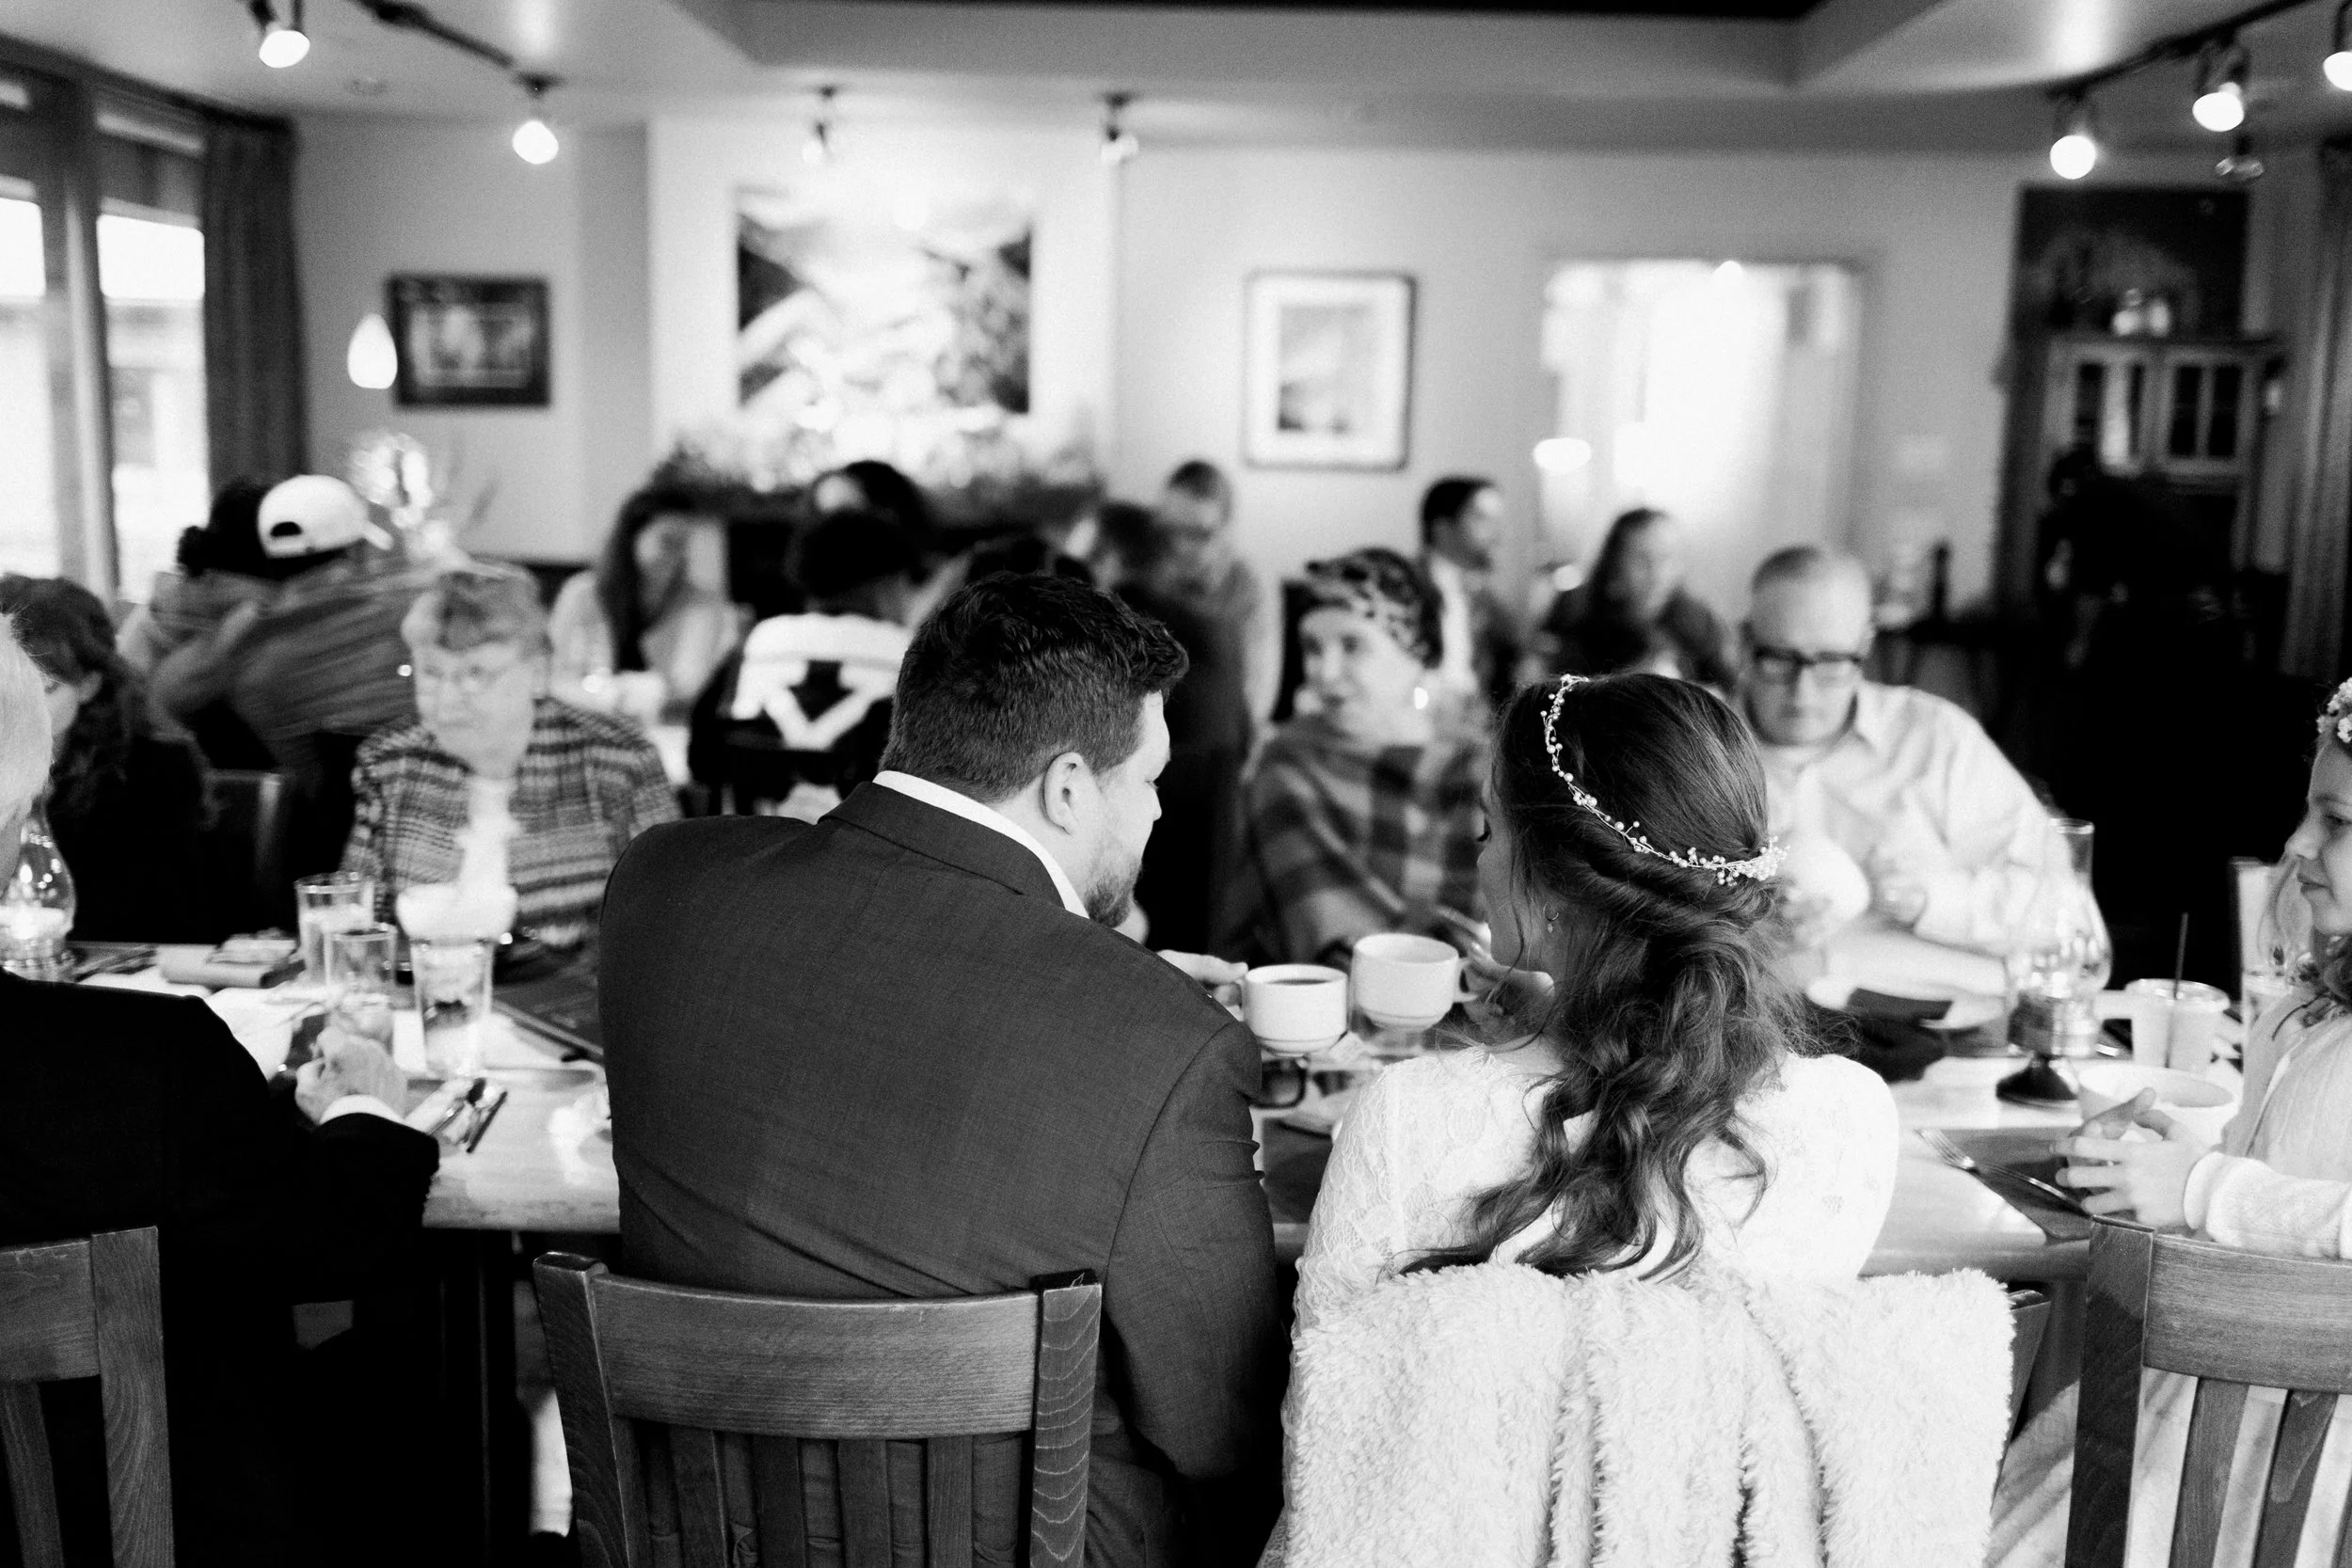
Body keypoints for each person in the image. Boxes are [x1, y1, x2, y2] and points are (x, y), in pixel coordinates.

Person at [601, 573, 1286, 1565]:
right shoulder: (1167, 1041)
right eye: (1147, 781)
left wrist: (1123, 999)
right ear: (1066, 787)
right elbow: (1219, 1425)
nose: (1156, 815)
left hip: (692, 1530)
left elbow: (872, 999)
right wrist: (1136, 1010)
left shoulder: (663, 883)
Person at [1277, 673, 1897, 1549]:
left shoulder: (1406, 1115)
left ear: (1558, 885)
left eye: (1489, 830)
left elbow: (1324, 1434)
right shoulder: (1852, 1119)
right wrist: (1558, 1024)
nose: (1478, 860)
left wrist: (1527, 1050)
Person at [0, 613, 440, 1568]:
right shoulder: (145, 1060)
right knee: (391, 1379)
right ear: (18, 815)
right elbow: (337, 1238)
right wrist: (366, 1107)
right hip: (144, 1528)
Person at [1989, 678, 2352, 1567]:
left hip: (2301, 1484)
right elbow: (2278, 1190)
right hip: (2193, 1426)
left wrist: (2201, 1186)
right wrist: (2157, 1173)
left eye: (2336, 820)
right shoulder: (2304, 1015)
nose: (2296, 843)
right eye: (2308, 810)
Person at [1740, 546, 2060, 955]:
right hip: (1745, 991)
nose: (1803, 691)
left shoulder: (1937, 738)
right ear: (1746, 641)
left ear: (1866, 644)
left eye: (1832, 661)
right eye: (1779, 658)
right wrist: (1738, 920)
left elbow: (2058, 901)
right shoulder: (1692, 746)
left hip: (1918, 988)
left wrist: (1929, 900)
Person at [342, 562, 677, 945]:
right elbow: (355, 927)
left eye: (475, 674)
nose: (447, 700)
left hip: (579, 984)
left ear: (537, 672)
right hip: (425, 983)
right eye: (431, 673)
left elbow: (673, 928)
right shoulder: (391, 764)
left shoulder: (619, 763)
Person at [1232, 547, 1486, 965]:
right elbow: (1329, 939)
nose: (1324, 673)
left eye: (1352, 646)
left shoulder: (1479, 768)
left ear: (1418, 652)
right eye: (1312, 647)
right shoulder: (1288, 766)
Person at [134, 475, 437, 800]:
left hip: (303, 816)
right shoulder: (408, 617)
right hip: (411, 807)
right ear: (357, 550)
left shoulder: (245, 650)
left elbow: (159, 702)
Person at [0, 577, 210, 942]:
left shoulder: (152, 770)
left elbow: (157, 916)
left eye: (46, 689)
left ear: (88, 685)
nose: (23, 711)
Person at [687, 507, 924, 818]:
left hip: (752, 838)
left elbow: (701, 760)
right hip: (868, 839)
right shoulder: (913, 654)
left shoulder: (755, 644)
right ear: (888, 584)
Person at [1093, 500, 1250, 952]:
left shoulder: (1126, 608)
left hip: (1172, 784)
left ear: (1110, 555)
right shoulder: (1200, 616)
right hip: (1222, 781)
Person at [547, 485, 744, 722]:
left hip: (665, 729)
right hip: (584, 724)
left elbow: (688, 685)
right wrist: (614, 695)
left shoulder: (701, 604)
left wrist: (614, 692)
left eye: (683, 544)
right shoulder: (581, 594)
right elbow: (554, 675)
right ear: (632, 536)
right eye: (667, 541)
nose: (677, 555)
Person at [1541, 507, 1736, 688]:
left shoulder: (1700, 620)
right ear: (1615, 562)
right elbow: (1555, 690)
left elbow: (1727, 689)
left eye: (1666, 558)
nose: (1657, 573)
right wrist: (1635, 683)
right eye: (1642, 559)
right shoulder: (1576, 610)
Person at [1157, 459, 1279, 725]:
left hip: (1221, 733)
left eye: (1198, 534)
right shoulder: (1147, 573)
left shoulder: (1248, 584)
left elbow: (1257, 695)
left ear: (1226, 529)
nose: (1180, 546)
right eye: (1170, 531)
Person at [1417, 476, 1522, 717]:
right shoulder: (1408, 587)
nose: (1497, 535)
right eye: (1482, 519)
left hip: (1476, 723)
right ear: (1443, 528)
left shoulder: (1485, 597)